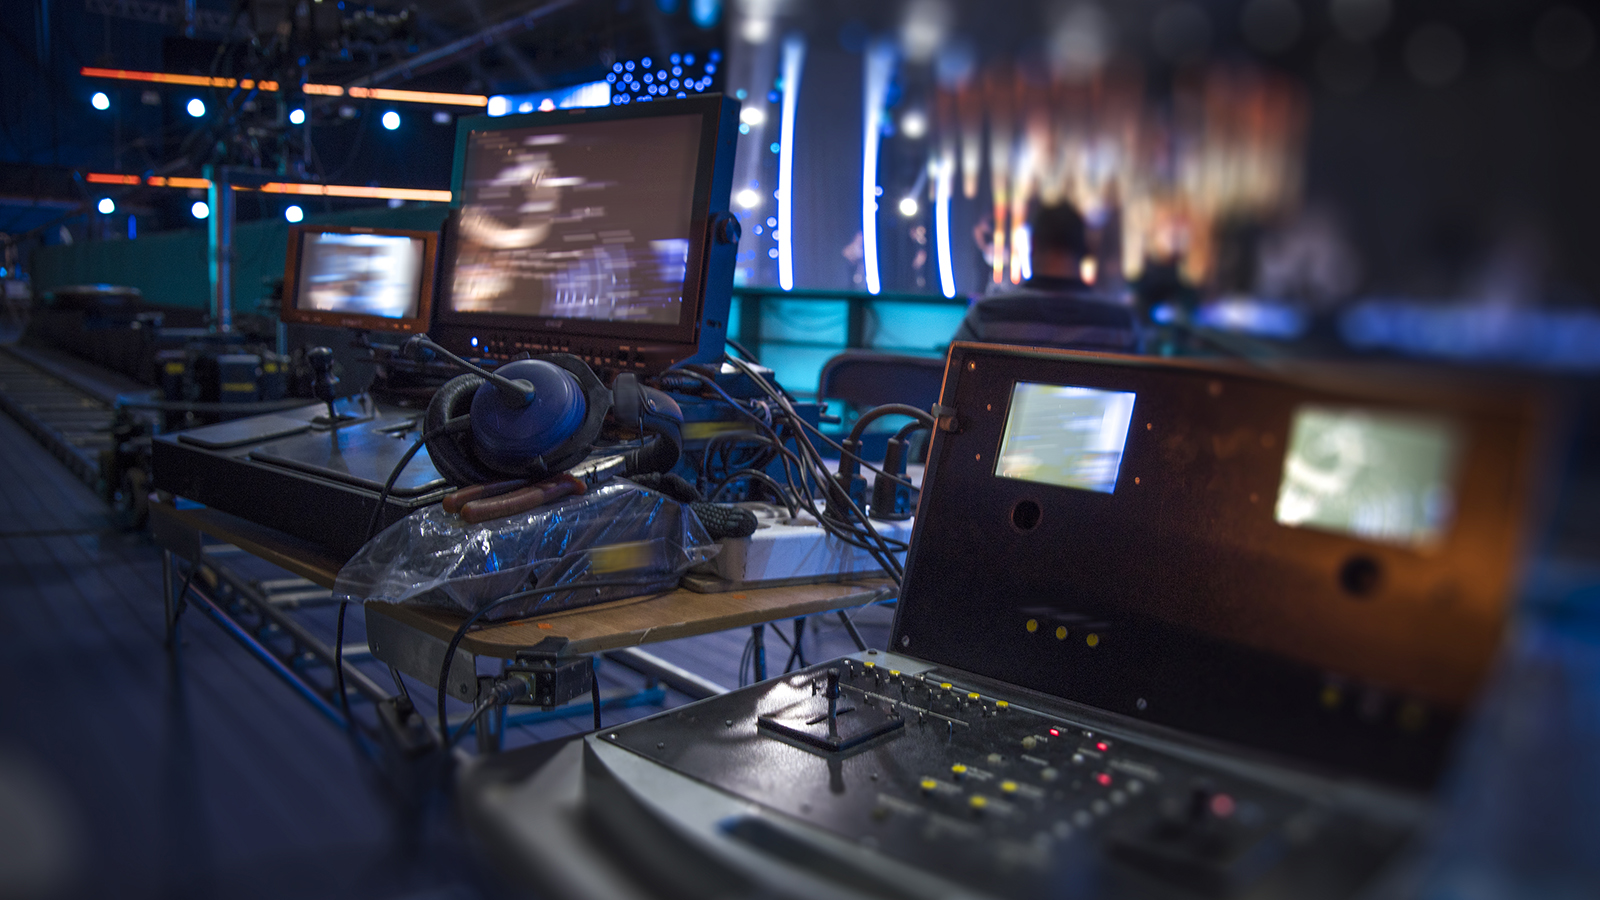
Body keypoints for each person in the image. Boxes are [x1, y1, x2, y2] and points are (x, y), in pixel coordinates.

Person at [953, 202, 1141, 352]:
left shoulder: (986, 317)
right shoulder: (1123, 326)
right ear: (1086, 249)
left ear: (1033, 244)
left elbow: (948, 378)